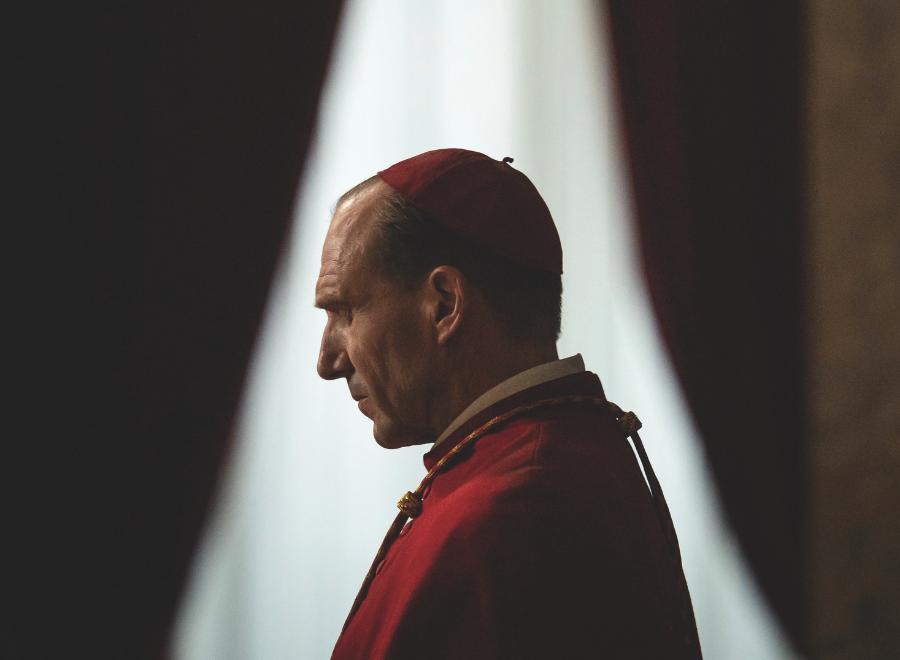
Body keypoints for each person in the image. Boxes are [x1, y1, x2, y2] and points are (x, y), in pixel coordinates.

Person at [316, 148, 702, 659]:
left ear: (444, 305)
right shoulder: (558, 454)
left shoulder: (512, 514)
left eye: (344, 310)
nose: (327, 360)